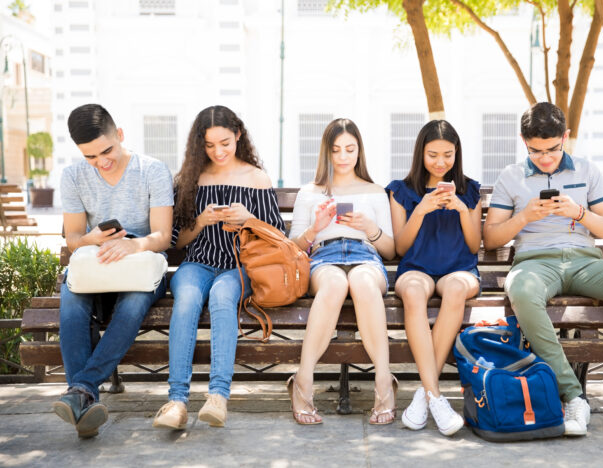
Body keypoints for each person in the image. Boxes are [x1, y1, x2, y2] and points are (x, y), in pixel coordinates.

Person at [483, 102, 603, 437]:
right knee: (520, 290)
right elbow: (490, 239)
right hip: (535, 264)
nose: (546, 158)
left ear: (565, 137)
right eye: (536, 151)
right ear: (524, 141)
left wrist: (579, 213)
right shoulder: (510, 176)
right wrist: (524, 217)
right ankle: (572, 395)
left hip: (583, 261)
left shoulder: (587, 171)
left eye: (553, 149)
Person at [152, 106, 284, 430]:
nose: (218, 152)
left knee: (224, 298)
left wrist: (248, 219)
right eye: (210, 145)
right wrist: (200, 223)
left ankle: (217, 398)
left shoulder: (257, 179)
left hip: (238, 268)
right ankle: (177, 401)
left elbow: (280, 238)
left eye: (225, 142)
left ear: (238, 135)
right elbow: (175, 241)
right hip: (197, 263)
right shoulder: (190, 179)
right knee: (186, 301)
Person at [55, 104, 174, 438]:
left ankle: (81, 391)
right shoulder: (73, 176)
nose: (102, 162)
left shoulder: (152, 170)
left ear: (120, 135)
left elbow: (163, 236)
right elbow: (74, 238)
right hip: (97, 263)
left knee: (134, 303)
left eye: (107, 150)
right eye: (91, 157)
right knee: (72, 300)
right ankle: (85, 402)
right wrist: (90, 238)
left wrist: (133, 245)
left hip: (143, 264)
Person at [287, 118, 396, 425]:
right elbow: (294, 247)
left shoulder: (375, 191)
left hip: (365, 254)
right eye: (336, 150)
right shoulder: (311, 192)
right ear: (327, 153)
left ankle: (384, 382)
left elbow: (389, 250)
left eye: (350, 149)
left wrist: (370, 228)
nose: (344, 156)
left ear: (359, 151)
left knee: (361, 281)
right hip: (324, 256)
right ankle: (303, 381)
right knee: (335, 284)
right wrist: (315, 228)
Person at [386, 120, 482, 436]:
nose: (440, 162)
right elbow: (400, 247)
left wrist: (462, 209)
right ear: (420, 153)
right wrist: (421, 210)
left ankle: (426, 395)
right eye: (432, 155)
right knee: (413, 292)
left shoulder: (469, 190)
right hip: (416, 267)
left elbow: (473, 245)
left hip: (459, 268)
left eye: (448, 155)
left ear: (457, 154)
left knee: (455, 289)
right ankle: (436, 397)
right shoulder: (402, 191)